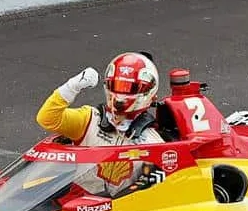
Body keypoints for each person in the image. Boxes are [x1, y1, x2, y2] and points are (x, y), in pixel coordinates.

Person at [36, 51, 164, 146]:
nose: (120, 95)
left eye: (129, 88)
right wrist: (72, 86)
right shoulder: (90, 120)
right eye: (116, 85)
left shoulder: (152, 143)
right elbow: (47, 118)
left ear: (148, 92)